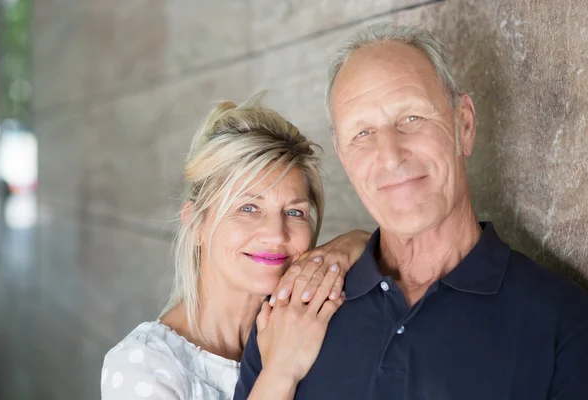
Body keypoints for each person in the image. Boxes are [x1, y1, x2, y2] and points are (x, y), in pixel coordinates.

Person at [234, 23, 588, 399]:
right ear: (344, 158)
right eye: (362, 133)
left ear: (463, 125)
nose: (390, 155)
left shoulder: (562, 321)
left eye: (412, 119)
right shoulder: (292, 310)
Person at [100, 97, 370, 399]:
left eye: (295, 212)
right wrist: (281, 371)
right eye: (249, 208)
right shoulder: (143, 366)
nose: (275, 234)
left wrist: (355, 241)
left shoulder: (308, 321)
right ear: (196, 224)